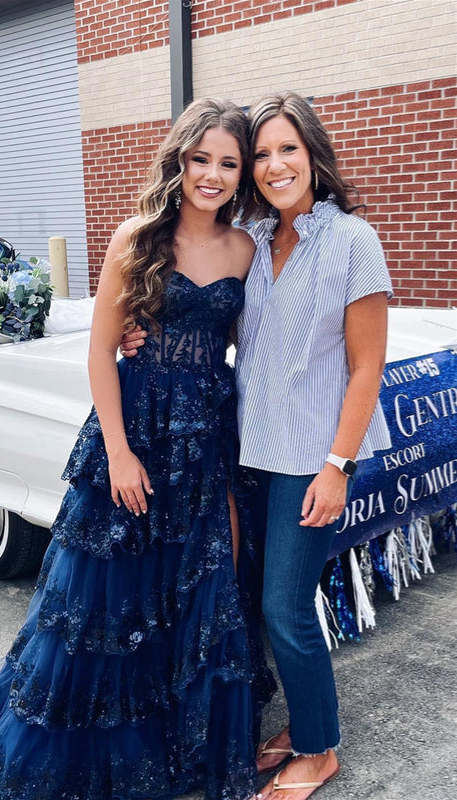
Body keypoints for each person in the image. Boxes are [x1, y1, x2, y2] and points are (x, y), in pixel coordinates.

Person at [0, 98, 275, 800]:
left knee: (199, 581)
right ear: (178, 159)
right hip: (136, 427)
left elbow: (244, 344)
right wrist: (117, 450)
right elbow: (100, 352)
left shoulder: (246, 248)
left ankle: (180, 732)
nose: (212, 174)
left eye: (228, 164)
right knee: (111, 593)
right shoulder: (138, 236)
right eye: (200, 158)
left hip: (208, 437)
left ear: (242, 175)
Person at [121, 90, 393, 800]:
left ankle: (317, 750)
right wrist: (143, 328)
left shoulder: (351, 241)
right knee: (254, 599)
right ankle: (305, 722)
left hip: (309, 460)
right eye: (262, 154)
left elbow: (367, 365)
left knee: (284, 608)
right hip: (243, 450)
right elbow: (218, 323)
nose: (273, 166)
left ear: (313, 155)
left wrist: (337, 466)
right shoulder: (254, 239)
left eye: (286, 150)